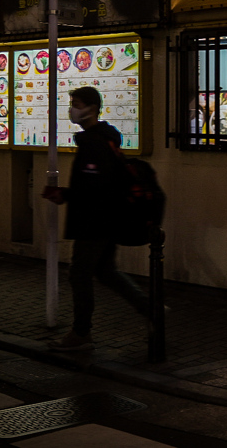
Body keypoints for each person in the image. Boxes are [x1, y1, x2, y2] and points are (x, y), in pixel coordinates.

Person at [42, 86, 150, 351]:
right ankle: (150, 309)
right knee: (106, 272)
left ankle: (81, 334)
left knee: (80, 275)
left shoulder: (94, 142)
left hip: (94, 221)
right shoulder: (106, 139)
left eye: (76, 103)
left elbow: (94, 186)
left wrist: (64, 194)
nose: (72, 109)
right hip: (108, 217)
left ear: (91, 107)